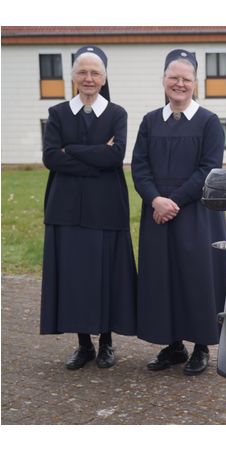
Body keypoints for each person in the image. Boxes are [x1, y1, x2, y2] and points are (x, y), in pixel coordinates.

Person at [131, 49, 226, 376]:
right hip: (158, 214)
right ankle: (172, 345)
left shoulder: (209, 123)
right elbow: (140, 168)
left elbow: (208, 169)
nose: (179, 84)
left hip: (196, 215)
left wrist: (171, 201)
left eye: (186, 79)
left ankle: (201, 346)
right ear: (163, 80)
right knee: (163, 280)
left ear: (195, 83)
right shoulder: (149, 122)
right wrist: (154, 200)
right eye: (173, 78)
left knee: (196, 279)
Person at [40, 45, 136, 370]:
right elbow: (50, 157)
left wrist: (73, 151)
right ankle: (83, 345)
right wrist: (96, 155)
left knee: (105, 276)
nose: (88, 78)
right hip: (65, 209)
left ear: (104, 77)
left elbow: (115, 157)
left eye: (95, 73)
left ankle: (106, 343)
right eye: (82, 72)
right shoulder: (57, 114)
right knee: (75, 277)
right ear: (73, 77)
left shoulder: (117, 114)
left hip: (106, 208)